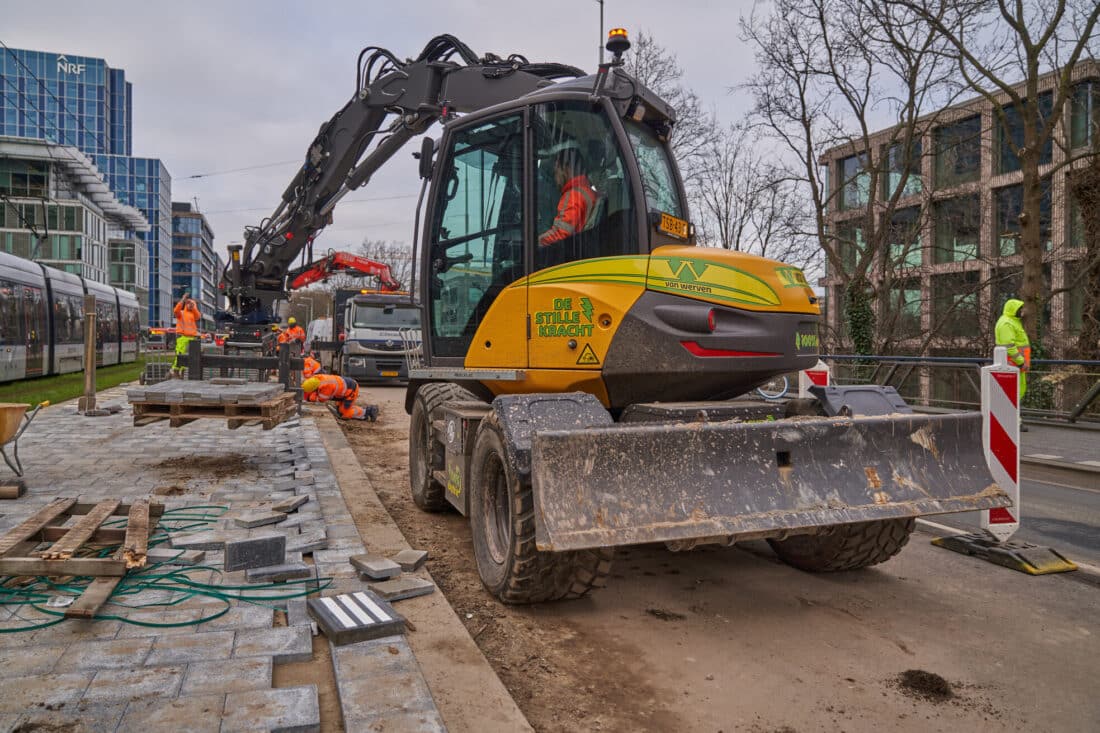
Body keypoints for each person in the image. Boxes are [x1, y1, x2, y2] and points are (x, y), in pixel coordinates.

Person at [538, 148, 599, 246]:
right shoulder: (588, 191)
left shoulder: (572, 196)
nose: (555, 179)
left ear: (566, 168)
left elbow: (560, 234)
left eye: (556, 172)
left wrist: (535, 243)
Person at [995, 297, 1031, 430]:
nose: (1022, 311)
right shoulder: (1007, 323)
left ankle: (1015, 421)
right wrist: (1021, 362)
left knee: (1015, 393)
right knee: (1012, 393)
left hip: (1016, 365)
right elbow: (1009, 346)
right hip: (1013, 365)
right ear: (1013, 310)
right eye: (1020, 309)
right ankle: (1015, 422)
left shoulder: (1012, 322)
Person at [301, 374, 378, 421]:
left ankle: (368, 412)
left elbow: (321, 399)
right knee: (339, 410)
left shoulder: (326, 387)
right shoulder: (316, 379)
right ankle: (362, 411)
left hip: (351, 391)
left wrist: (310, 398)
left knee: (345, 414)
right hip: (342, 392)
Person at [170, 292, 201, 377]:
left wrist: (193, 307)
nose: (190, 305)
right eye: (189, 304)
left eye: (192, 304)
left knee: (189, 356)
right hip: (182, 337)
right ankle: (176, 371)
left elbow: (198, 316)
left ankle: (182, 372)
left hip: (192, 338)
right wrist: (183, 300)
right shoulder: (182, 313)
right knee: (180, 354)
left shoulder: (193, 314)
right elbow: (176, 310)